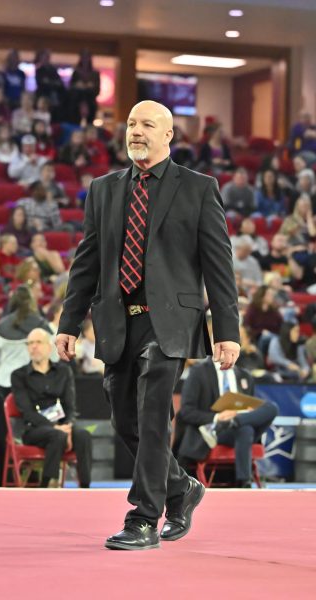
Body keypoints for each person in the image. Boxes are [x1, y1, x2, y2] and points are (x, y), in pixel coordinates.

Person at [55, 100, 240, 550]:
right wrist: (69, 322)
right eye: (132, 123)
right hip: (119, 322)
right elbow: (87, 263)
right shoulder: (103, 189)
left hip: (171, 322)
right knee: (124, 420)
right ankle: (182, 488)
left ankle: (142, 519)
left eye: (147, 125)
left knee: (154, 414)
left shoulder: (199, 188)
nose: (136, 131)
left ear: (168, 135)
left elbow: (219, 264)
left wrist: (228, 329)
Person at [177, 354, 278, 487]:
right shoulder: (198, 372)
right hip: (211, 431)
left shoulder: (244, 375)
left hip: (238, 426)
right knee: (246, 429)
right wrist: (218, 417)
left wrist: (246, 412)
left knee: (271, 408)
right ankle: (245, 482)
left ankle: (234, 421)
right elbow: (186, 412)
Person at [11, 328, 92, 487]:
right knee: (57, 435)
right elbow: (27, 412)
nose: (33, 346)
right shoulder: (18, 375)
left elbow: (70, 405)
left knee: (83, 435)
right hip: (33, 428)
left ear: (49, 347)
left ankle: (85, 486)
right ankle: (47, 485)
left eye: (38, 342)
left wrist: (67, 425)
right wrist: (56, 428)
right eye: (30, 343)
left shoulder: (63, 371)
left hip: (61, 426)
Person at [0, 286, 52, 396]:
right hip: (36, 380)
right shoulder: (42, 325)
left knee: (7, 413)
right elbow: (54, 355)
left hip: (5, 379)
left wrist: (2, 362)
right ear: (32, 303)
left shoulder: (0, 325)